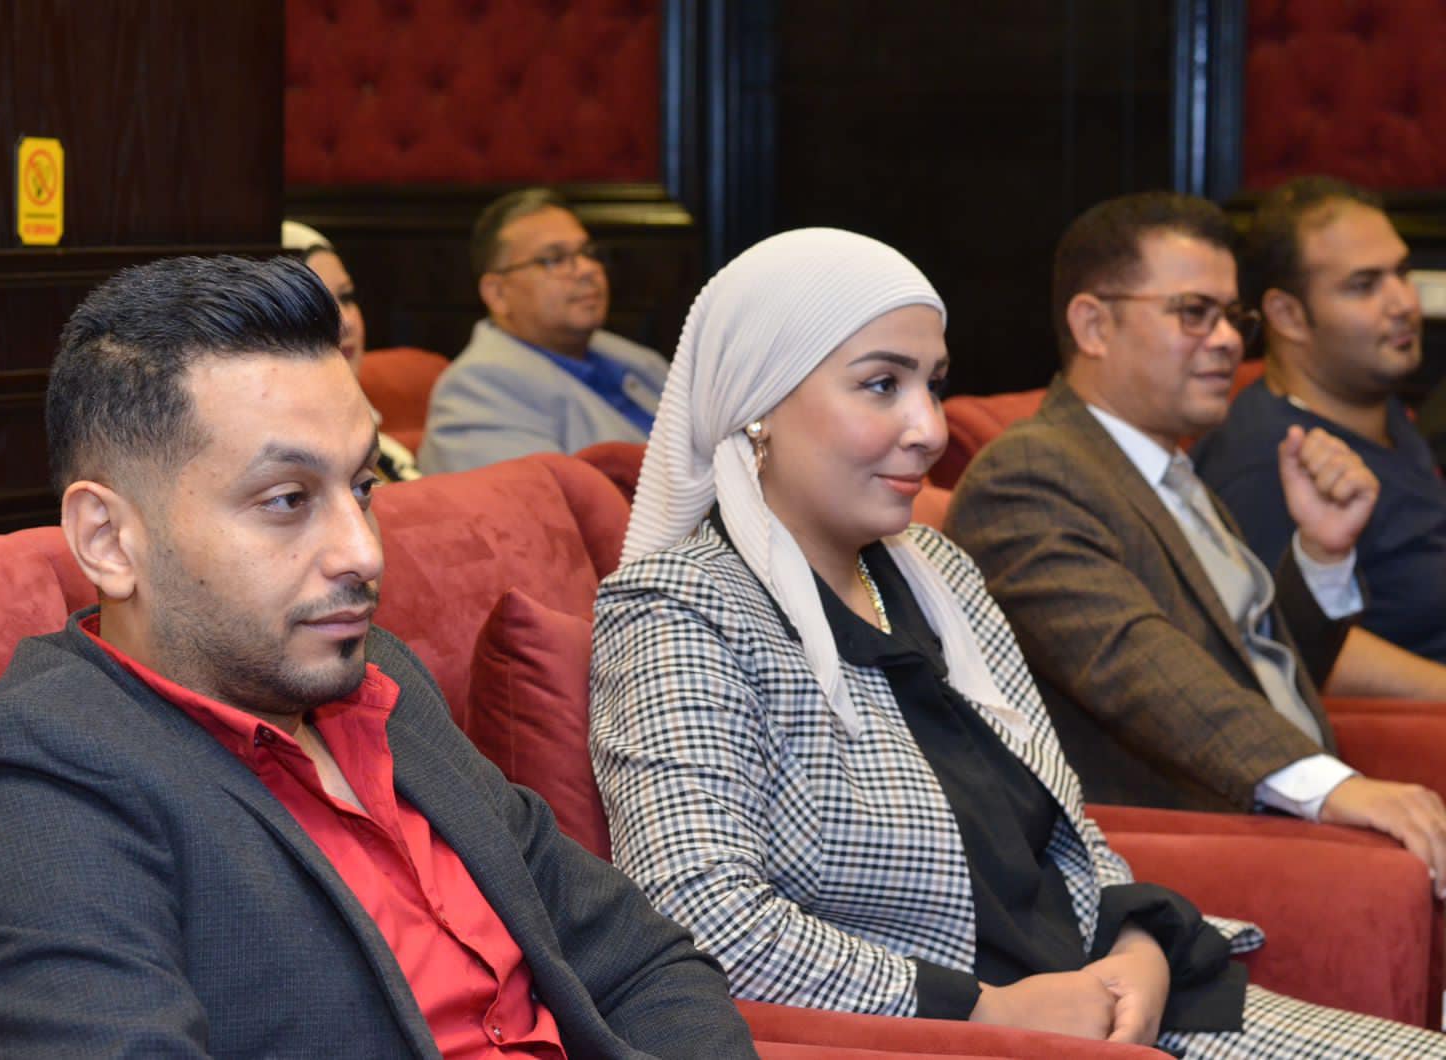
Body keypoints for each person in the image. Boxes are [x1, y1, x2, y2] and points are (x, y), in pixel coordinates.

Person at [589, 226, 1440, 1055]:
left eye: (932, 384)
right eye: (881, 384)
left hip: (1107, 997)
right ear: (756, 404)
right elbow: (697, 912)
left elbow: (1063, 822)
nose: (928, 428)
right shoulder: (680, 605)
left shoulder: (939, 574)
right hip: (936, 1035)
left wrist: (1135, 939)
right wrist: (983, 1010)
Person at [0, 255, 757, 1059]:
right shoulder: (32, 779)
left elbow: (642, 961)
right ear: (109, 539)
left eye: (362, 487)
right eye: (287, 499)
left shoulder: (382, 681)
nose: (363, 552)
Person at [942, 192, 1446, 882]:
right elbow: (1136, 666)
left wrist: (1322, 555)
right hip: (1187, 855)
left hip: (1287, 821)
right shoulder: (1031, 474)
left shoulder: (1166, 468)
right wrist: (1328, 786)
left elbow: (1253, 667)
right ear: (1093, 324)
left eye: (1232, 316)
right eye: (1193, 313)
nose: (1230, 340)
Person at [1193, 176, 1446, 666]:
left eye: (1402, 272)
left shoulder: (1371, 398)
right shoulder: (1270, 464)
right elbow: (1282, 643)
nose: (1404, 303)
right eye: (1364, 286)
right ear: (1287, 315)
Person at [417, 188, 668, 474]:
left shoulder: (631, 356)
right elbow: (544, 500)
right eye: (554, 259)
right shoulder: (477, 388)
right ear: (497, 293)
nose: (587, 269)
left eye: (588, 252)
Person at [283, 219, 421, 481]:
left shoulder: (392, 455)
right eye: (317, 305)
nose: (345, 322)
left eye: (346, 298)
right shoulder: (281, 472)